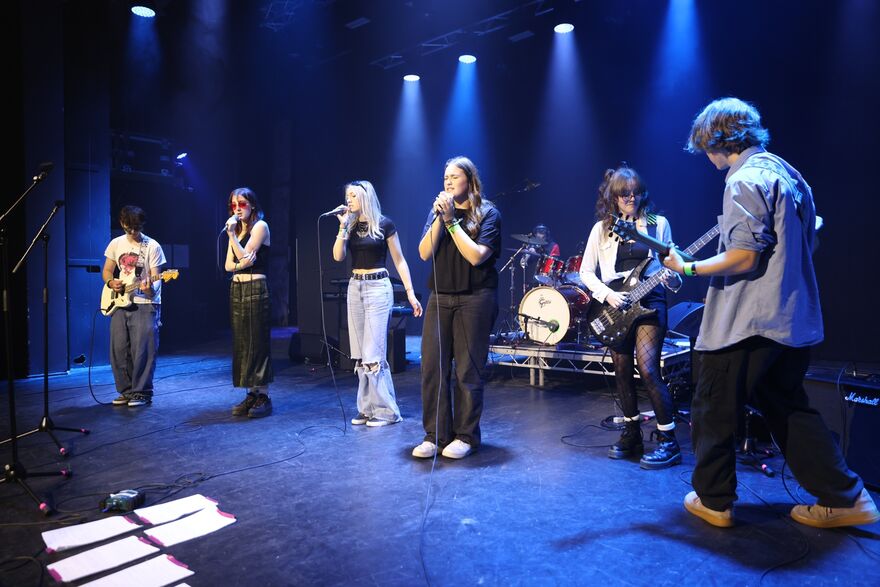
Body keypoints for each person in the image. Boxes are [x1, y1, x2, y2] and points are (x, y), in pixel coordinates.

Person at [663, 97, 879, 528]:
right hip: (791, 318)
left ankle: (714, 500)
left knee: (712, 406)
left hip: (749, 322)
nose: (705, 155)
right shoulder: (788, 174)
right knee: (786, 407)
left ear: (717, 139)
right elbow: (811, 239)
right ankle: (847, 497)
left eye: (705, 145)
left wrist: (688, 266)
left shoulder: (743, 180)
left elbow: (744, 256)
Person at [579, 165, 683, 469]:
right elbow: (586, 271)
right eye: (625, 194)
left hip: (650, 302)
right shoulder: (601, 228)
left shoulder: (657, 223)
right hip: (616, 305)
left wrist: (673, 278)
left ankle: (668, 441)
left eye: (636, 192)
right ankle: (632, 432)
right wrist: (607, 295)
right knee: (621, 370)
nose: (631, 198)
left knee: (648, 369)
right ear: (613, 196)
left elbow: (673, 270)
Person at [413, 156, 501, 459]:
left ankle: (465, 436)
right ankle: (435, 435)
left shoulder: (488, 213)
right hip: (440, 297)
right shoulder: (437, 212)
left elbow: (476, 256)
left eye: (454, 177)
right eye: (445, 177)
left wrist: (452, 221)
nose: (448, 182)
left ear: (470, 180)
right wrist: (441, 218)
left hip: (475, 298)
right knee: (432, 368)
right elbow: (424, 252)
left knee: (468, 371)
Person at [331, 180, 423, 427]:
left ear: (365, 197)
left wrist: (410, 293)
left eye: (353, 195)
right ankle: (367, 408)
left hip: (377, 287)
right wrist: (342, 228)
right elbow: (338, 255)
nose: (348, 200)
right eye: (347, 195)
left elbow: (400, 260)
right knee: (360, 355)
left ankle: (387, 411)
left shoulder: (385, 224)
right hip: (355, 287)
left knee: (374, 354)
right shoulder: (349, 225)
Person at [102, 205, 166, 407]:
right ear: (122, 223)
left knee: (143, 350)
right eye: (129, 227)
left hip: (145, 302)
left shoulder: (152, 246)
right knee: (118, 349)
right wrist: (112, 283)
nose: (132, 232)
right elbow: (107, 271)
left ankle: (142, 392)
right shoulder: (115, 243)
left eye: (136, 228)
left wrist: (148, 288)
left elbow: (155, 282)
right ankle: (126, 391)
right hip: (119, 301)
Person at [225, 187, 274, 418]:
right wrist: (239, 263)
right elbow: (229, 265)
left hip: (255, 286)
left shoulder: (260, 227)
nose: (237, 209)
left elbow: (245, 258)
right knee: (243, 342)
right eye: (234, 205)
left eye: (242, 204)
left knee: (257, 341)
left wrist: (234, 238)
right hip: (237, 286)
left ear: (252, 205)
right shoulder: (235, 230)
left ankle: (263, 394)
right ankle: (251, 393)